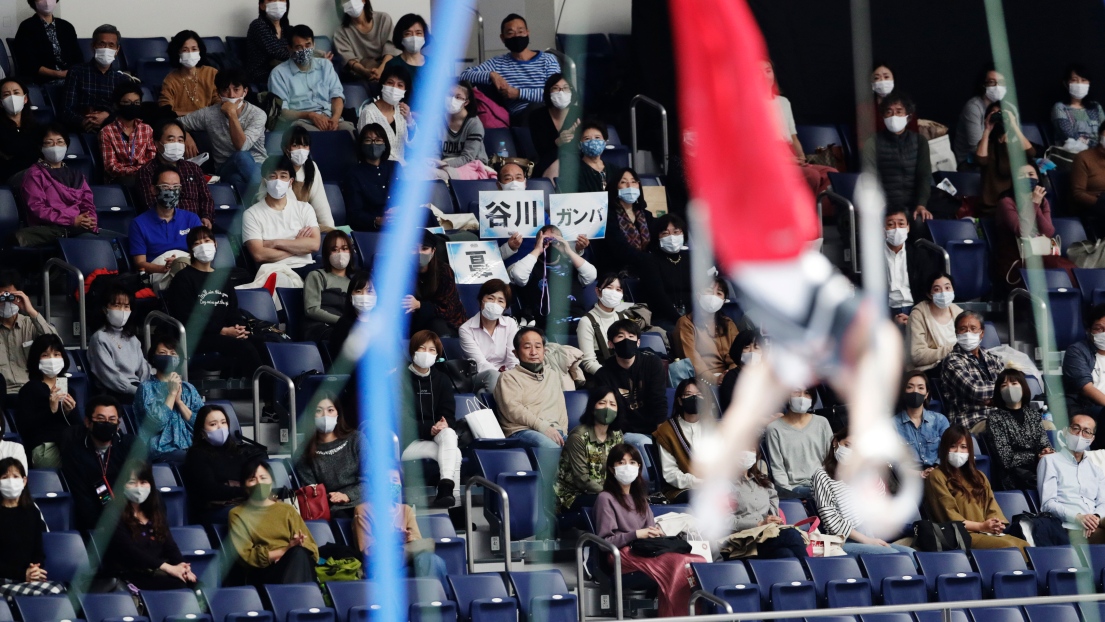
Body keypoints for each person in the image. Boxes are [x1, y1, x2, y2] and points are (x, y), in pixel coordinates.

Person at [593, 444, 704, 618]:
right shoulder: (605, 498)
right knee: (676, 564)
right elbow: (606, 542)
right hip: (622, 555)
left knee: (695, 560)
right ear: (611, 469)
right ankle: (675, 617)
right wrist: (636, 534)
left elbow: (650, 532)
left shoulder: (641, 499)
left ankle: (693, 615)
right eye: (621, 462)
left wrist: (655, 533)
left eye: (632, 462)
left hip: (646, 551)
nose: (627, 466)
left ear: (639, 467)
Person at [165, 227, 263, 380]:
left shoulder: (222, 278)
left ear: (215, 244)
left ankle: (273, 395)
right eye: (197, 243)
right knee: (245, 348)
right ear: (191, 250)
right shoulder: (183, 278)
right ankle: (268, 395)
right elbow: (187, 317)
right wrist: (222, 330)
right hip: (198, 337)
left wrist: (238, 328)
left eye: (207, 241)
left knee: (261, 343)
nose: (203, 246)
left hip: (225, 333)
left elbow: (233, 310)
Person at [924, 426, 1029, 554]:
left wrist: (996, 524)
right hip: (961, 536)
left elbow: (992, 508)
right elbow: (948, 517)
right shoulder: (937, 476)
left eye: (963, 447)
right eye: (953, 446)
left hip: (985, 533)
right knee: (1010, 548)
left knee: (1025, 545)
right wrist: (981, 526)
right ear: (944, 448)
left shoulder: (979, 476)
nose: (958, 451)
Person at [813, 429, 915, 556]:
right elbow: (831, 520)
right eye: (847, 445)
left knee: (912, 554)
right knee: (892, 555)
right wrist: (867, 540)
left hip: (870, 534)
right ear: (835, 442)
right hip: (843, 540)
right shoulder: (822, 475)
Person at [101, 462, 196, 590]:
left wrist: (183, 567)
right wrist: (169, 568)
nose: (138, 487)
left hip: (157, 571)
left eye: (143, 482)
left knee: (197, 586)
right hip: (130, 574)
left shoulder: (155, 508)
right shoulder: (112, 512)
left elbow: (169, 543)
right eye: (132, 482)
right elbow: (130, 551)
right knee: (179, 587)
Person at [179, 68, 267, 202]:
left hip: (258, 166)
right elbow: (174, 124)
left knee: (236, 178)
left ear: (245, 91)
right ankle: (265, 199)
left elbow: (242, 145)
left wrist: (231, 115)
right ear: (219, 93)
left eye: (236, 89)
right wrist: (185, 134)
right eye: (226, 90)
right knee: (241, 157)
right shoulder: (208, 114)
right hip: (225, 166)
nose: (231, 95)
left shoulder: (258, 114)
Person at [229, 458, 320, 585]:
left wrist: (297, 546)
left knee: (299, 554)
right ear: (244, 486)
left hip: (296, 562)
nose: (259, 483)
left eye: (263, 478)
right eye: (252, 479)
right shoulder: (237, 514)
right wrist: (284, 551)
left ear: (271, 481)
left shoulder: (287, 510)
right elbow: (246, 557)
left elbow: (312, 548)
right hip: (264, 571)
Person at [459, 14, 560, 121]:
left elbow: (555, 93)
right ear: (503, 38)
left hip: (551, 111)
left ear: (527, 32)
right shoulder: (497, 63)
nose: (517, 36)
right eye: (511, 33)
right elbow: (464, 75)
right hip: (522, 116)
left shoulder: (548, 60)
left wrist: (518, 93)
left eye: (521, 31)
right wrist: (491, 75)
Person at [353, 469, 449, 581]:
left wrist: (407, 537)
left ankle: (442, 597)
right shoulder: (363, 510)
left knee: (431, 559)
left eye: (395, 480)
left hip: (407, 562)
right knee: (429, 561)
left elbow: (417, 542)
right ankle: (438, 596)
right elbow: (368, 551)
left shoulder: (406, 510)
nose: (390, 484)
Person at [401, 332, 458, 508]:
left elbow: (449, 414)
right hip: (406, 443)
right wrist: (429, 429)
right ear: (413, 351)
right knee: (454, 453)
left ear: (437, 355)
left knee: (448, 433)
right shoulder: (398, 378)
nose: (427, 353)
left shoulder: (442, 379)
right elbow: (401, 422)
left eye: (432, 350)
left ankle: (446, 489)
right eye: (422, 348)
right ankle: (453, 507)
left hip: (436, 437)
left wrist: (444, 423)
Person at [18, 124, 101, 246]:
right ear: (41, 147)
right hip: (54, 231)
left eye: (60, 142)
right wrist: (71, 220)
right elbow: (37, 208)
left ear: (66, 145)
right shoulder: (34, 175)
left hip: (80, 228)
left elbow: (88, 203)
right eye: (49, 143)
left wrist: (90, 221)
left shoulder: (76, 175)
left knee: (118, 240)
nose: (55, 147)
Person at [183, 405, 266, 524]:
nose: (220, 428)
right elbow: (209, 490)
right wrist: (245, 491)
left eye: (223, 422)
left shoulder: (236, 451)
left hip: (240, 503)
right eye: (213, 424)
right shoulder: (196, 454)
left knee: (281, 510)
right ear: (202, 432)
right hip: (214, 509)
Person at [61, 395, 133, 531]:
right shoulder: (76, 451)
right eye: (100, 419)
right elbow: (82, 498)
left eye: (112, 420)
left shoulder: (131, 446)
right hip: (97, 526)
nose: (106, 424)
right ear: (88, 422)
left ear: (118, 425)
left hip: (130, 519)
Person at [763, 60, 835, 197]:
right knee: (812, 176)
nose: (764, 76)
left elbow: (793, 137)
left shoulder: (783, 102)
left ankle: (820, 215)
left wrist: (801, 157)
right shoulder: (748, 105)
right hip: (769, 159)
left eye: (768, 71)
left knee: (830, 174)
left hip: (789, 153)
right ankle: (804, 216)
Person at [863, 93, 934, 227]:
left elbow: (924, 176)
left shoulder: (920, 141)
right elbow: (870, 177)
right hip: (884, 205)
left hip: (912, 204)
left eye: (899, 112)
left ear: (908, 117)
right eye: (889, 112)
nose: (893, 116)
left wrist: (921, 205)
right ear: (883, 116)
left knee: (921, 222)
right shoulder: (872, 142)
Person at [243, 155, 321, 276]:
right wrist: (297, 246)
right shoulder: (251, 214)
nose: (278, 181)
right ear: (264, 181)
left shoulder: (305, 208)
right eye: (272, 176)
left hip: (308, 268)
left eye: (283, 176)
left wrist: (275, 243)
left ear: (290, 182)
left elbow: (314, 244)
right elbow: (259, 254)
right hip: (275, 270)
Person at [269, 25, 354, 133]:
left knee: (351, 133)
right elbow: (282, 112)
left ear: (314, 44)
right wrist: (310, 115)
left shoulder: (325, 65)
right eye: (299, 47)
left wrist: (335, 118)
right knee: (311, 137)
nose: (304, 50)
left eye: (308, 45)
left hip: (329, 118)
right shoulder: (278, 74)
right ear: (290, 49)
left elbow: (337, 96)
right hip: (301, 122)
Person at [727, 447, 810, 559]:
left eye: (751, 449)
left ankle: (806, 575)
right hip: (741, 542)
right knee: (791, 534)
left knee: (785, 554)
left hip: (766, 537)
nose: (747, 453)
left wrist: (774, 519)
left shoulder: (763, 482)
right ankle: (813, 573)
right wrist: (759, 523)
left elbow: (773, 511)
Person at [493, 327, 568, 448]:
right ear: (516, 353)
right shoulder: (508, 377)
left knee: (580, 448)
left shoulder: (552, 375)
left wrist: (563, 432)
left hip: (554, 430)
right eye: (527, 347)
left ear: (545, 350)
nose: (533, 352)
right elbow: (514, 410)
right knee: (549, 447)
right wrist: (543, 427)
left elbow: (561, 408)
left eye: (538, 347)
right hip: (522, 431)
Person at [0, 457, 64, 600]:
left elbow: (38, 550)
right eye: (5, 477)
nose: (11, 481)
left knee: (59, 590)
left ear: (24, 481)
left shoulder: (32, 512)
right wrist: (23, 574)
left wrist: (35, 570)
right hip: (5, 580)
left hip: (30, 578)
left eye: (15, 476)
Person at [508, 225, 596, 328]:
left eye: (555, 241)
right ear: (537, 243)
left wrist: (568, 251)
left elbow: (591, 276)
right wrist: (538, 250)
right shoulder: (528, 266)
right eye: (545, 240)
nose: (550, 244)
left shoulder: (573, 265)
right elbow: (519, 275)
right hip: (544, 327)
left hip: (578, 324)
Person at [1038, 413, 1105, 543]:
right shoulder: (1050, 461)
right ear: (1065, 431)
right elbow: (1047, 504)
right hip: (1068, 526)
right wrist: (1079, 518)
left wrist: (1094, 518)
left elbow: (1103, 503)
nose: (1080, 435)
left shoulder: (1096, 470)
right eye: (1076, 428)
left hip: (1094, 523)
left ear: (1092, 439)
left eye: (1087, 431)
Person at [135, 336, 204, 464]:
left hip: (192, 448)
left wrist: (180, 402)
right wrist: (172, 394)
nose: (168, 357)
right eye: (162, 353)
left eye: (173, 354)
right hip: (161, 450)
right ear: (153, 358)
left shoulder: (188, 388)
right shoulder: (146, 388)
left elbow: (202, 424)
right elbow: (155, 425)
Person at [594, 320, 667, 440]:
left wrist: (662, 437)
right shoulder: (603, 374)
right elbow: (607, 411)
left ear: (638, 342)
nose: (626, 340)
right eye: (620, 336)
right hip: (623, 433)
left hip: (652, 428)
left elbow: (659, 400)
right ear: (611, 344)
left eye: (631, 336)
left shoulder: (653, 363)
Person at [555, 386, 624, 512]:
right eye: (602, 403)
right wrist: (612, 494)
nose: (607, 408)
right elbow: (582, 480)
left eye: (613, 404)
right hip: (573, 497)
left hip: (605, 493)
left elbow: (620, 468)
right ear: (592, 408)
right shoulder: (578, 436)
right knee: (611, 503)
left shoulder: (617, 435)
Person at [134, 120, 214, 227]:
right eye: (171, 139)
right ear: (157, 143)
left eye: (180, 140)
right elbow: (151, 205)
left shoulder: (193, 169)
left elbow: (206, 198)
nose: (176, 144)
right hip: (165, 226)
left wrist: (206, 217)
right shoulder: (147, 171)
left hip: (197, 227)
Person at [296, 396, 365, 518]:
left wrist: (347, 495)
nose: (325, 415)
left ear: (338, 414)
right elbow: (312, 493)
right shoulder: (303, 452)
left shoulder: (356, 439)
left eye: (330, 410)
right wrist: (333, 497)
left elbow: (373, 479)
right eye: (318, 411)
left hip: (364, 500)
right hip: (333, 506)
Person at [128, 167, 203, 278]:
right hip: (159, 272)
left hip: (189, 267)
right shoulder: (138, 223)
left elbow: (201, 251)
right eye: (165, 187)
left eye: (176, 187)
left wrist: (180, 262)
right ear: (153, 189)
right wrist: (164, 268)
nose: (171, 191)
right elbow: (140, 263)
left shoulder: (192, 219)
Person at [994, 162, 1058, 291]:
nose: (1027, 178)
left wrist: (1037, 205)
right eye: (1021, 176)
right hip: (1016, 257)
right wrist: (1032, 203)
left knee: (1066, 269)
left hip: (1040, 252)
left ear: (1037, 178)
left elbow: (1048, 231)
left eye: (1030, 174)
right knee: (1055, 266)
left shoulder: (1043, 201)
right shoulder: (1006, 201)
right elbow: (1022, 230)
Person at [14, 334, 74, 468]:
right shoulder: (30, 389)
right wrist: (51, 410)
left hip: (66, 444)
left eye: (57, 354)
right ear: (37, 359)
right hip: (44, 446)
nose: (52, 359)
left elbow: (78, 425)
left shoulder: (68, 389)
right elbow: (25, 427)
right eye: (45, 355)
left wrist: (69, 412)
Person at [61, 24, 134, 133]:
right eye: (102, 44)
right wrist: (85, 121)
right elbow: (66, 109)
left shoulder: (122, 80)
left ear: (117, 50)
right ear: (93, 46)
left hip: (112, 131)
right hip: (82, 129)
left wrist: (108, 117)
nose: (106, 49)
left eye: (111, 45)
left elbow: (126, 111)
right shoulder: (77, 72)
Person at [988, 368, 1052, 490]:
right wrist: (1036, 456)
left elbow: (1043, 443)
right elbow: (1006, 459)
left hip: (1039, 468)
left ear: (1023, 387)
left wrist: (1047, 451)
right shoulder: (995, 418)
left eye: (1014, 383)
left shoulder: (1033, 415)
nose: (1010, 388)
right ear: (999, 391)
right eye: (1004, 385)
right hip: (1014, 475)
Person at [940, 311, 1004, 429]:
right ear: (956, 333)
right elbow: (975, 390)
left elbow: (1011, 386)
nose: (968, 333)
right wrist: (1001, 390)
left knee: (1044, 424)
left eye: (973, 328)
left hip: (998, 415)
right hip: (970, 420)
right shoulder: (952, 360)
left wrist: (994, 396)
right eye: (963, 329)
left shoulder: (992, 358)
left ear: (982, 333)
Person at [88, 285, 152, 401]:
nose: (122, 311)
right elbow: (109, 376)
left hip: (137, 389)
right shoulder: (99, 338)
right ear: (104, 309)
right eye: (116, 306)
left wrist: (146, 389)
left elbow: (143, 369)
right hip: (114, 393)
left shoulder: (132, 338)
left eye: (126, 306)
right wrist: (139, 392)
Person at [765, 387, 831, 499]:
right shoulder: (774, 428)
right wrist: (789, 494)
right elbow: (777, 467)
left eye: (807, 393)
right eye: (796, 392)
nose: (802, 397)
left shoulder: (822, 422)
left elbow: (830, 459)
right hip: (795, 487)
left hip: (823, 484)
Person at [0, 269, 57, 397]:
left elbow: (56, 344)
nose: (5, 301)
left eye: (10, 296)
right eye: (1, 297)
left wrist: (31, 311)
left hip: (31, 390)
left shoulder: (31, 324)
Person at [672, 276, 738, 385]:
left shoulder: (728, 324)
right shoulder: (685, 323)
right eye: (709, 290)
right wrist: (714, 379)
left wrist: (730, 374)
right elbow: (691, 358)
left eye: (719, 293)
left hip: (729, 378)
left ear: (723, 301)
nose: (713, 296)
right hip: (699, 381)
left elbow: (737, 353)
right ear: (698, 296)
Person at [458, 278, 518, 394]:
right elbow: (480, 364)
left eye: (501, 301)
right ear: (481, 301)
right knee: (492, 375)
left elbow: (513, 358)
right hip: (478, 376)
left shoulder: (510, 324)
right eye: (490, 298)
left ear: (505, 307)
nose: (495, 304)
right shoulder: (466, 329)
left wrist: (513, 377)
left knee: (482, 393)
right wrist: (506, 378)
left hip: (506, 376)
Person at [881, 207, 938, 325]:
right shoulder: (874, 256)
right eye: (891, 224)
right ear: (883, 229)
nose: (897, 229)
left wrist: (916, 316)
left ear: (908, 227)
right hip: (885, 311)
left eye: (901, 224)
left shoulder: (919, 254)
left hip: (916, 308)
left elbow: (927, 287)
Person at [653, 379, 706, 502]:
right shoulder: (667, 431)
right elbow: (670, 473)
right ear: (680, 400)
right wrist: (699, 483)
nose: (694, 398)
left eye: (699, 394)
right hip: (681, 489)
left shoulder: (714, 428)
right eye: (688, 394)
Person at [977, 102, 1035, 211]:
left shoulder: (1016, 145)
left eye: (1001, 113)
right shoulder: (986, 144)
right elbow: (981, 160)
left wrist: (1013, 124)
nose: (998, 116)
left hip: (1012, 205)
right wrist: (987, 129)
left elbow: (1031, 153)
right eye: (993, 113)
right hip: (989, 205)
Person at [408, 231, 466, 337]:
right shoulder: (401, 271)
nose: (419, 253)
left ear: (433, 251)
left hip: (444, 322)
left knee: (437, 326)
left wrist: (420, 305)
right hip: (413, 321)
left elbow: (449, 309)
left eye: (424, 249)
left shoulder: (444, 271)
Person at [953, 65, 1012, 169]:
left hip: (997, 156)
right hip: (970, 162)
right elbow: (976, 148)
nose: (997, 87)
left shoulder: (1008, 107)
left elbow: (1016, 140)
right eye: (992, 82)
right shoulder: (973, 107)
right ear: (983, 84)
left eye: (1001, 83)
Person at [13, 0, 83, 85]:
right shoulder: (26, 27)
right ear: (33, 2)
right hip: (44, 80)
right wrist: (58, 74)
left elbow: (78, 57)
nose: (47, 1)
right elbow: (28, 63)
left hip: (71, 77)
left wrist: (72, 73)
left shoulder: (66, 27)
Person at [894, 370, 950, 474]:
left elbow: (948, 451)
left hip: (938, 474)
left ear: (926, 394)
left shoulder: (940, 420)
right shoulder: (892, 425)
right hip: (909, 478)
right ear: (903, 392)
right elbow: (895, 462)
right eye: (910, 387)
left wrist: (935, 470)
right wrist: (918, 474)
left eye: (920, 388)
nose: (915, 391)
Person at [1063, 305, 1105, 443]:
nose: (1104, 333)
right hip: (1088, 407)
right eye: (1099, 329)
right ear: (1089, 331)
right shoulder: (1076, 351)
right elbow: (1086, 388)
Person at [528, 73, 582, 179]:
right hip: (547, 161)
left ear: (572, 91)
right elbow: (540, 149)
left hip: (576, 162)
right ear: (548, 92)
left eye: (565, 88)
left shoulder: (580, 114)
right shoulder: (537, 116)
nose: (561, 92)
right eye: (556, 88)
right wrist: (559, 141)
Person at [346, 123, 399, 231]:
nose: (373, 144)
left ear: (385, 144)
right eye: (368, 140)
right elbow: (355, 213)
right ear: (361, 145)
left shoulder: (395, 167)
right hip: (375, 228)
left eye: (378, 140)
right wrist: (378, 220)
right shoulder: (354, 174)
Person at [281, 126, 335, 230]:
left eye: (305, 145)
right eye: (295, 145)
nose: (300, 150)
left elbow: (321, 205)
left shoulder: (312, 167)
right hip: (283, 225)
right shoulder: (277, 169)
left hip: (304, 226)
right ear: (285, 148)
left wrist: (331, 230)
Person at [357, 65, 414, 162]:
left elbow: (414, 145)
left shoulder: (403, 112)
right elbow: (369, 150)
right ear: (382, 85)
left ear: (405, 91)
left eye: (400, 85)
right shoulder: (368, 112)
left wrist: (410, 121)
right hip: (380, 169)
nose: (394, 88)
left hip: (402, 167)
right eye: (390, 83)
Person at [303, 230, 353, 342]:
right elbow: (311, 310)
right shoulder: (317, 276)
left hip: (345, 328)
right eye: (334, 250)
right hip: (320, 328)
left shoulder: (354, 281)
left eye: (344, 249)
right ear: (327, 253)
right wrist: (343, 322)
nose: (341, 253)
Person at [602, 168, 654, 273]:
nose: (630, 186)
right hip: (617, 270)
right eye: (623, 182)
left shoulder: (646, 215)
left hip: (645, 267)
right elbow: (620, 249)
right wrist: (650, 260)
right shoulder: (607, 215)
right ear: (615, 187)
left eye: (633, 182)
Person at [332, 0, 398, 83]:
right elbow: (349, 60)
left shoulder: (383, 19)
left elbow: (391, 48)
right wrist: (365, 72)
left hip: (388, 68)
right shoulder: (340, 33)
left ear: (364, 1)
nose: (351, 2)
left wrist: (381, 69)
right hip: (361, 75)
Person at [907, 273, 963, 372]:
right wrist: (952, 350)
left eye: (947, 288)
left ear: (953, 290)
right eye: (937, 289)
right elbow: (917, 355)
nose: (943, 293)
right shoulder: (918, 315)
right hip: (932, 369)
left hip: (960, 365)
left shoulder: (959, 313)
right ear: (929, 294)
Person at [577, 274, 629, 376]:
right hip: (601, 376)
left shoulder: (624, 318)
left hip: (625, 373)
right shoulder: (586, 321)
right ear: (598, 291)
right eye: (609, 288)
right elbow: (588, 362)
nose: (614, 292)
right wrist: (608, 376)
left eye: (618, 289)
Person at [159, 31, 220, 117]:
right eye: (185, 50)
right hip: (183, 123)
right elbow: (166, 109)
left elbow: (219, 102)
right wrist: (196, 115)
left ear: (200, 51)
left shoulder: (211, 73)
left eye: (194, 49)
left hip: (209, 122)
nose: (190, 53)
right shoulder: (170, 79)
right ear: (177, 53)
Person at [648, 214, 692, 328]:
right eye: (665, 233)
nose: (672, 237)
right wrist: (680, 320)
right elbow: (659, 296)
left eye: (676, 232)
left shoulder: (689, 258)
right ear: (657, 237)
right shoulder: (650, 261)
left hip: (692, 316)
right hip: (665, 318)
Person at [1052, 63, 1104, 148]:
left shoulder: (1096, 107)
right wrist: (1098, 146)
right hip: (1072, 155)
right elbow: (1070, 137)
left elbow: (1103, 131)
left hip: (1098, 154)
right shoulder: (1060, 108)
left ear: (1089, 83)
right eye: (1074, 80)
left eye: (1083, 80)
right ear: (1066, 83)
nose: (1079, 84)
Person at [438, 81, 487, 169]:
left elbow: (468, 158)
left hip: (473, 166)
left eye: (458, 97)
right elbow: (434, 153)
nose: (452, 100)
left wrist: (443, 165)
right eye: (449, 95)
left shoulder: (474, 124)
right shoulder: (437, 121)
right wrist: (434, 163)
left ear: (466, 102)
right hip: (443, 164)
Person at [0, 78, 41, 182]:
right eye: (6, 94)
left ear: (25, 98)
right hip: (11, 178)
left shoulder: (36, 128)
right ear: (1, 103)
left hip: (37, 176)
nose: (12, 97)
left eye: (16, 93)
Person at [246, 0, 291, 86]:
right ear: (262, 5)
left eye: (281, 0)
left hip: (283, 71)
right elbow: (278, 53)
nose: (277, 3)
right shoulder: (258, 25)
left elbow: (298, 47)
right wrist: (304, 55)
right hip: (262, 75)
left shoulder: (287, 29)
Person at [330, 272, 375, 358]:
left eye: (369, 291)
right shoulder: (344, 325)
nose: (364, 295)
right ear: (351, 297)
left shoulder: (383, 324)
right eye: (359, 291)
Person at [718, 328, 764, 412]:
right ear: (738, 350)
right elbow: (733, 407)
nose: (752, 351)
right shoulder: (731, 377)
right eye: (746, 347)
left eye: (756, 348)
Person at [1071, 125, 1105, 234]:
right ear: (1101, 134)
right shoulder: (1084, 157)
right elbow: (1078, 194)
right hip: (1093, 206)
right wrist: (1101, 203)